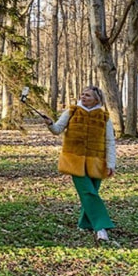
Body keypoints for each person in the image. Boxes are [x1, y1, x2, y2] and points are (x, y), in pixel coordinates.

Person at [41, 86, 116, 242]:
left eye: (87, 95)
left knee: (91, 192)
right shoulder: (72, 111)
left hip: (97, 161)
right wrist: (50, 124)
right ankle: (101, 227)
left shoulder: (104, 116)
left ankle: (84, 224)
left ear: (97, 99)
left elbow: (110, 141)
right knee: (88, 192)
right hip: (74, 160)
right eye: (82, 94)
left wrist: (111, 164)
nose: (83, 97)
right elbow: (57, 129)